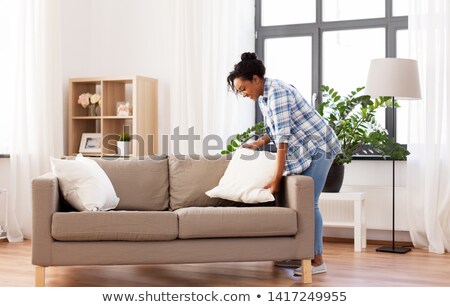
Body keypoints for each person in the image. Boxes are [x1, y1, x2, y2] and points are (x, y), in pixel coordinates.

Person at [227, 52, 341, 276]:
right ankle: (297, 252)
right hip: (306, 149)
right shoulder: (264, 97)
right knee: (296, 203)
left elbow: (283, 139)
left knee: (309, 203)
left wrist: (276, 179)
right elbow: (274, 130)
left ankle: (317, 260)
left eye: (243, 89)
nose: (244, 94)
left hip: (320, 147)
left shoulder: (277, 93)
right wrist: (258, 143)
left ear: (256, 79)